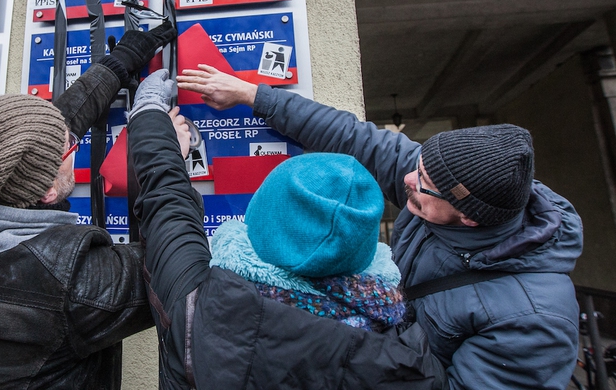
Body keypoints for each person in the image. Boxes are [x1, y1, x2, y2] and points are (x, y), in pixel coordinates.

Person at [176, 64, 584, 389]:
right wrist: (253, 95)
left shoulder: (536, 321)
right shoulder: (450, 184)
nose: (407, 179)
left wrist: (345, 354)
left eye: (422, 183)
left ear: (469, 217)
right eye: (418, 166)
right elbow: (353, 137)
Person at [0, 23, 176, 389]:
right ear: (45, 193)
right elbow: (173, 267)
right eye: (69, 151)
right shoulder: (69, 282)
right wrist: (160, 141)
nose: (71, 148)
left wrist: (119, 62)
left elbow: (32, 141)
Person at [127, 70, 446, 389]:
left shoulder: (205, 307)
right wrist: (254, 95)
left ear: (259, 224)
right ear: (364, 251)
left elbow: (168, 206)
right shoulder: (412, 358)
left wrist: (149, 115)